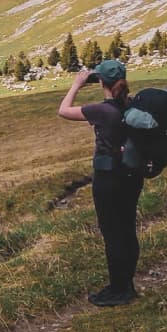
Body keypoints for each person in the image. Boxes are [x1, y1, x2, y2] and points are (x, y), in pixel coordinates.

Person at [58, 59, 141, 306]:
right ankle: (126, 284)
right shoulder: (132, 106)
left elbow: (63, 110)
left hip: (108, 178)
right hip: (132, 175)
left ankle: (119, 290)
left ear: (101, 82)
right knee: (127, 229)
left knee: (112, 233)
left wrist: (76, 85)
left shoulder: (102, 110)